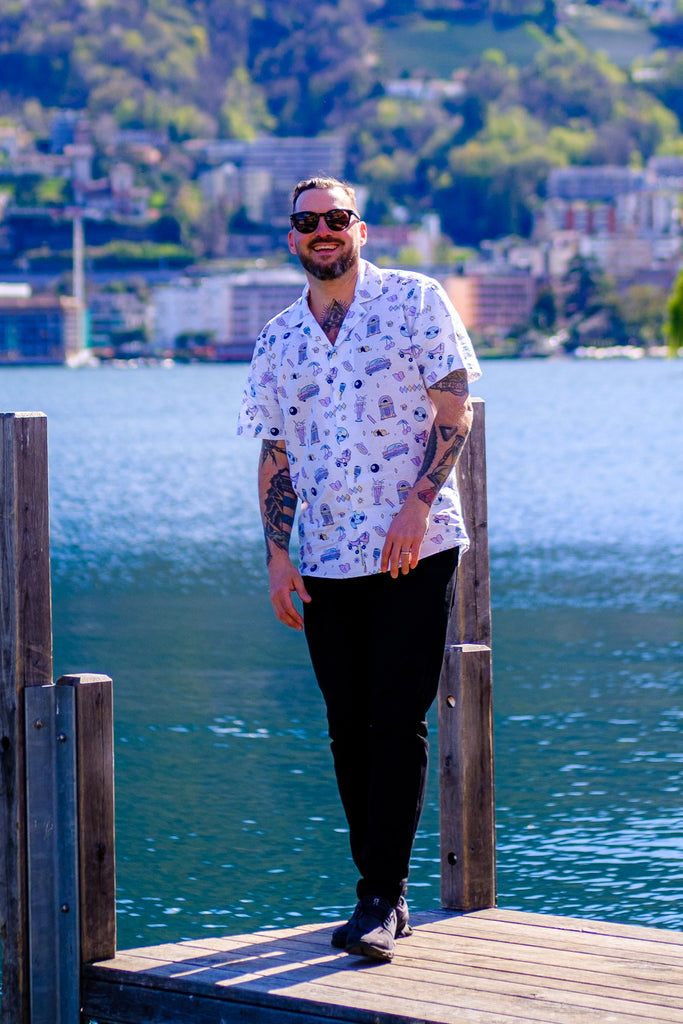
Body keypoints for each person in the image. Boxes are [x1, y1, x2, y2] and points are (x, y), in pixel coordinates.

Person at [237, 176, 481, 962]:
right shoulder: (277, 339)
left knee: (395, 718)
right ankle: (376, 891)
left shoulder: (414, 301)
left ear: (360, 230)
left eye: (335, 219)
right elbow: (275, 453)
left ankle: (381, 896)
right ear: (292, 238)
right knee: (347, 731)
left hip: (414, 546)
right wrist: (278, 556)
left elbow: (454, 408)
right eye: (307, 222)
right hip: (328, 559)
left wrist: (416, 504)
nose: (322, 232)